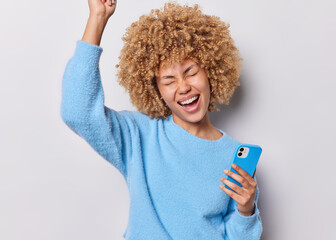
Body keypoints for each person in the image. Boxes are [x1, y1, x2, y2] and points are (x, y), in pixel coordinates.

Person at [61, 0, 263, 239]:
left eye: (190, 72)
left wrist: (246, 210)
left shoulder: (235, 156)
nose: (183, 87)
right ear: (156, 90)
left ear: (210, 70)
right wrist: (97, 17)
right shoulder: (140, 136)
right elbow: (78, 112)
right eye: (168, 80)